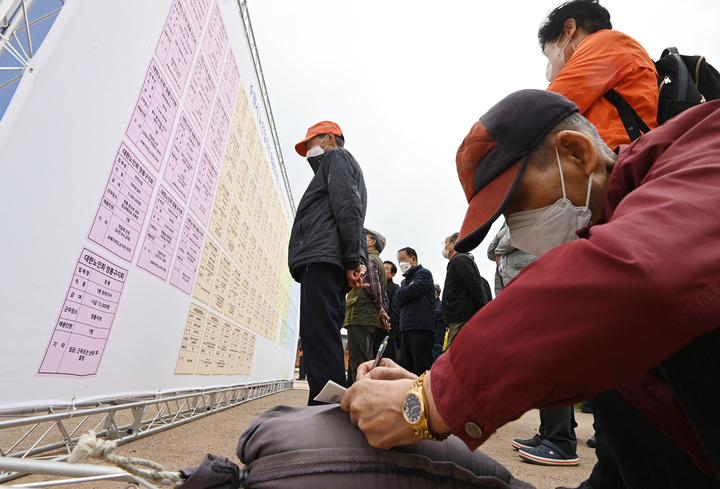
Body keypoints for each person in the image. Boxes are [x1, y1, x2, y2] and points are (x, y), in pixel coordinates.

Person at [342, 90, 720, 489]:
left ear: (576, 153)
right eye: (505, 218)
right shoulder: (608, 280)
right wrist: (425, 383)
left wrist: (429, 399)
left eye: (517, 203)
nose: (518, 229)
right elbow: (630, 465)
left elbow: (639, 274)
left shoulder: (701, 147)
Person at [288, 121, 368, 405]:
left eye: (310, 143)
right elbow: (354, 214)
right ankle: (327, 410)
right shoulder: (339, 167)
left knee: (318, 338)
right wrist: (354, 260)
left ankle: (326, 413)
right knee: (322, 337)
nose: (308, 150)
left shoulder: (337, 158)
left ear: (330, 139)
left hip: (322, 260)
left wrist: (351, 260)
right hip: (327, 260)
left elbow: (348, 208)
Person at [542, 0, 658, 149]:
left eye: (547, 54)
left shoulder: (608, 43)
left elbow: (545, 110)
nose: (549, 69)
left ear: (569, 29)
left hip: (614, 157)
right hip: (613, 154)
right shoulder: (616, 47)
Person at [344, 228, 389, 384]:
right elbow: (384, 295)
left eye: (365, 236)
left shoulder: (368, 258)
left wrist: (379, 308)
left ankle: (361, 404)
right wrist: (382, 311)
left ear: (372, 242)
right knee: (363, 363)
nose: (361, 238)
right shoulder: (379, 262)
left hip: (361, 316)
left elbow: (374, 288)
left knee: (360, 366)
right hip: (368, 319)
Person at [441, 232, 491, 347]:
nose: (444, 247)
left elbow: (475, 287)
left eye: (445, 243)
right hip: (458, 320)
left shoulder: (459, 260)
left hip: (462, 321)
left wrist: (484, 310)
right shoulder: (457, 261)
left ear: (454, 243)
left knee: (458, 356)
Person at [394, 247, 435, 376]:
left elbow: (414, 290)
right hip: (405, 328)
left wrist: (406, 291)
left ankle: (425, 395)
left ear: (413, 259)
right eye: (398, 261)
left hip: (420, 327)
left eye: (403, 260)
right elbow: (397, 300)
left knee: (422, 368)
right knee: (407, 369)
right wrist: (405, 290)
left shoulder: (424, 273)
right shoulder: (404, 281)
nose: (401, 264)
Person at [487, 224, 536, 296]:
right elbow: (490, 253)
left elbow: (512, 237)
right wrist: (499, 237)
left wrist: (498, 250)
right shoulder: (507, 220)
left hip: (522, 271)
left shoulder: (523, 215)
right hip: (510, 275)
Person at [380, 261, 400, 361]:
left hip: (387, 331)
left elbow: (396, 312)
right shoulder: (377, 286)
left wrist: (389, 326)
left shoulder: (395, 288)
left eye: (386, 268)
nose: (383, 270)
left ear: (393, 274)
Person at [431, 284, 445, 363]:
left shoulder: (441, 305)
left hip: (436, 341)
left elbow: (435, 315)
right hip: (429, 341)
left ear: (435, 291)